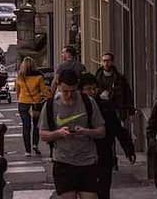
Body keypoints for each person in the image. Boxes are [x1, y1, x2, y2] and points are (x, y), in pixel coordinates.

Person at [39, 68, 105, 199]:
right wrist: (58, 133)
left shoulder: (88, 102)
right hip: (63, 162)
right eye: (65, 91)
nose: (69, 95)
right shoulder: (50, 106)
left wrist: (86, 131)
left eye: (73, 91)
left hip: (87, 161)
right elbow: (43, 134)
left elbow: (101, 131)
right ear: (58, 86)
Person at [80, 73, 135, 199]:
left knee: (103, 191)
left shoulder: (105, 106)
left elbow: (118, 129)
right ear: (81, 91)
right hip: (83, 157)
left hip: (104, 154)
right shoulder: (77, 108)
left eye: (94, 88)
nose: (92, 92)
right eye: (88, 89)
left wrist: (128, 149)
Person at [15, 56, 50, 156]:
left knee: (26, 126)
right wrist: (50, 96)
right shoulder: (39, 77)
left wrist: (20, 99)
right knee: (36, 125)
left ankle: (27, 150)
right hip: (35, 104)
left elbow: (17, 91)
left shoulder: (20, 77)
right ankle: (35, 144)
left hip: (23, 103)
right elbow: (44, 91)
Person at [94, 53, 135, 123]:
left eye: (108, 61)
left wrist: (131, 112)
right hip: (102, 112)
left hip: (117, 111)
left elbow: (128, 94)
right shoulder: (96, 79)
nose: (106, 63)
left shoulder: (120, 78)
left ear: (112, 62)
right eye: (104, 61)